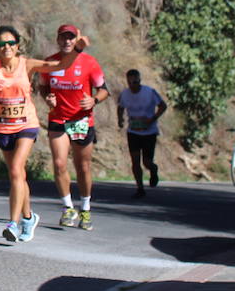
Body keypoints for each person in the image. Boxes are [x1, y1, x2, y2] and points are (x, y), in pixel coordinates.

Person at [0, 25, 88, 243]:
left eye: (10, 43)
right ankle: (28, 217)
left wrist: (77, 50)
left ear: (17, 45)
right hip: (3, 128)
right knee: (18, 176)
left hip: (27, 124)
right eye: (1, 44)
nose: (6, 47)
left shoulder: (28, 64)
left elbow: (61, 64)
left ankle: (12, 224)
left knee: (16, 169)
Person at [41, 24, 109, 231]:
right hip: (58, 118)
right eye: (63, 37)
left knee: (83, 166)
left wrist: (94, 101)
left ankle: (86, 208)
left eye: (71, 38)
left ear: (77, 39)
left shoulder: (89, 62)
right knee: (60, 163)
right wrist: (47, 97)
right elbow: (43, 86)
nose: (67, 41)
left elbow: (104, 90)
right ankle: (67, 207)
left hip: (81, 120)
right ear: (58, 40)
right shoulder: (51, 62)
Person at [116, 69, 168, 198]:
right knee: (135, 160)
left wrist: (152, 119)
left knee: (147, 162)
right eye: (131, 82)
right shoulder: (125, 94)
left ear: (140, 80)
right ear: (127, 81)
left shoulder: (149, 92)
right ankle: (140, 188)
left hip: (149, 132)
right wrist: (120, 120)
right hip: (133, 131)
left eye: (136, 81)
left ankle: (153, 170)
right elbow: (120, 107)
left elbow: (163, 106)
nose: (134, 84)